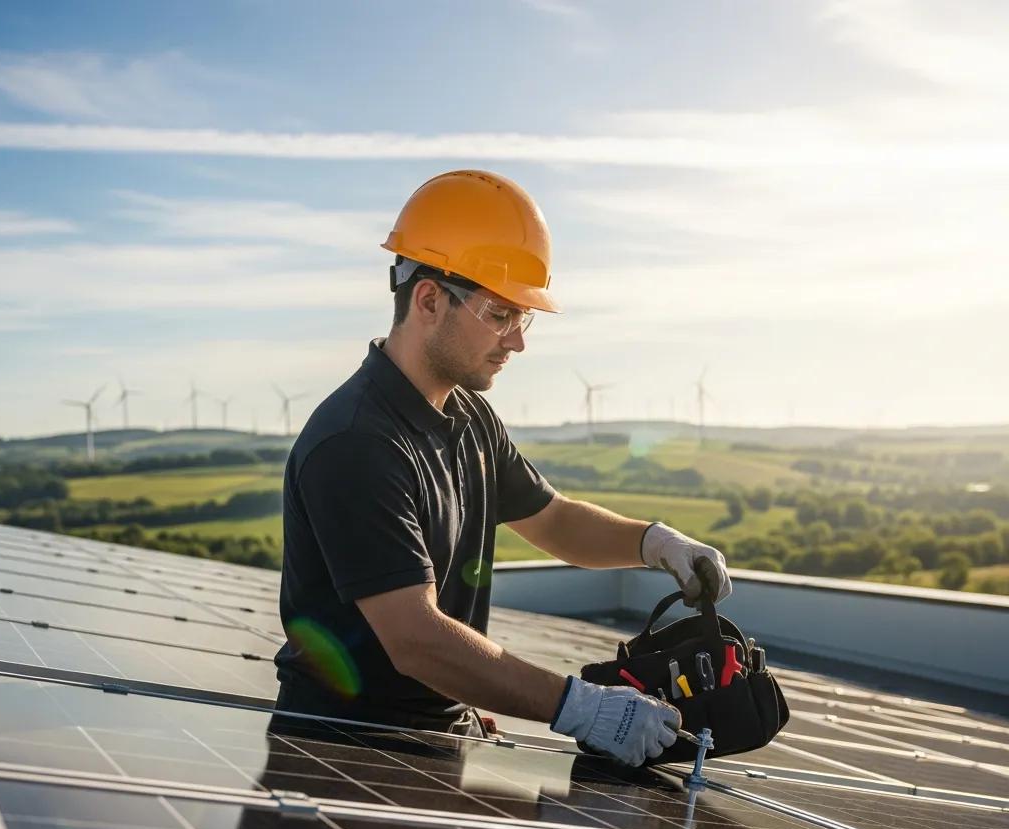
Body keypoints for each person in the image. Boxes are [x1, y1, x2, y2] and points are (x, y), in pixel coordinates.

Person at [273, 169, 731, 767]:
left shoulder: (471, 418)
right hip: (342, 757)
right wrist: (581, 707)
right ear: (429, 300)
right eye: (499, 314)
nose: (517, 341)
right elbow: (414, 639)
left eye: (525, 317)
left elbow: (556, 522)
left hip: (435, 741)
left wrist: (653, 543)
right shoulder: (356, 442)